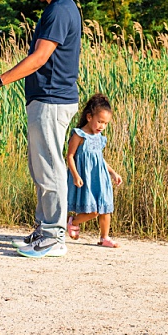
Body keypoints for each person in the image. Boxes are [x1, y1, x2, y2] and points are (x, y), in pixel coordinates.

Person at [0, 0, 81, 259]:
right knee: (41, 167)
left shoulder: (61, 9)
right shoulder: (57, 8)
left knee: (49, 167)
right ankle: (44, 229)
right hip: (46, 98)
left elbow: (39, 58)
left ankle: (53, 237)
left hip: (52, 98)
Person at [65, 93, 124, 248]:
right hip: (85, 177)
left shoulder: (99, 136)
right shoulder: (79, 135)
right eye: (100, 122)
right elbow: (70, 156)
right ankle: (72, 222)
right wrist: (75, 175)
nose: (102, 126)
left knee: (105, 207)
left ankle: (104, 237)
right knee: (94, 210)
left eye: (105, 124)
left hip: (100, 177)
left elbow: (100, 159)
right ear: (89, 117)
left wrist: (113, 173)